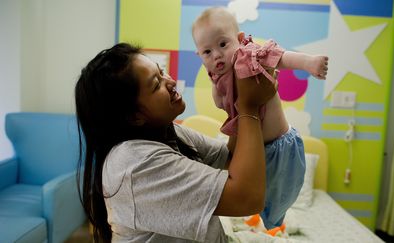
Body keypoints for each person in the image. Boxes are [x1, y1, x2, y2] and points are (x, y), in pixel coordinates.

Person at [75, 43, 277, 242]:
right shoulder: (134, 163)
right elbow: (248, 198)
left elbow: (229, 159)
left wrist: (236, 102)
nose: (170, 82)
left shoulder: (169, 131)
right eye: (156, 85)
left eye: (161, 72)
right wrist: (249, 107)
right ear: (134, 117)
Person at [192, 7, 329, 231]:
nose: (216, 54)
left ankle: (278, 223)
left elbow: (278, 57)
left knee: (280, 198)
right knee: (254, 197)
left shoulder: (247, 56)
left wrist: (307, 62)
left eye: (223, 44)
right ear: (199, 55)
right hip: (253, 151)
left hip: (280, 146)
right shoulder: (216, 74)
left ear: (239, 40)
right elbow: (220, 102)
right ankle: (262, 223)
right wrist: (217, 87)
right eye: (207, 52)